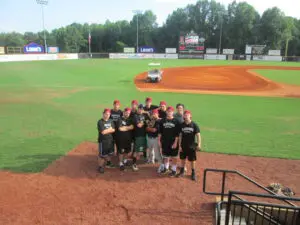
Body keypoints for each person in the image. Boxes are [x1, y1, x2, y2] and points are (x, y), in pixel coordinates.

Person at [178, 110, 201, 181]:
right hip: (183, 145)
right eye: (185, 115)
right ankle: (182, 171)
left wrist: (199, 144)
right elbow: (180, 136)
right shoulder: (182, 125)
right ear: (183, 116)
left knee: (192, 160)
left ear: (190, 116)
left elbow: (198, 135)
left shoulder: (194, 124)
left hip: (191, 146)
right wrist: (179, 145)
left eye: (187, 114)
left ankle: (193, 172)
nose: (186, 116)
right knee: (182, 159)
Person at [158, 106, 180, 177]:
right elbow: (160, 132)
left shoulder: (176, 121)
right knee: (166, 156)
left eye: (170, 111)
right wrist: (159, 141)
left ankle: (173, 170)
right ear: (166, 112)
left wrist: (176, 142)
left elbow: (177, 134)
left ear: (173, 112)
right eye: (168, 111)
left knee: (174, 157)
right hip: (165, 141)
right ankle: (166, 168)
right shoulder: (162, 121)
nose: (169, 112)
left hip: (173, 141)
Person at [97, 108, 116, 173]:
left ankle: (108, 163)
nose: (107, 115)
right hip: (103, 141)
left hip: (110, 141)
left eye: (108, 114)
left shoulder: (111, 121)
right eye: (106, 114)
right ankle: (100, 167)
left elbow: (113, 130)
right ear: (103, 114)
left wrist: (109, 129)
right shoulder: (100, 122)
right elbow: (103, 132)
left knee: (109, 153)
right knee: (102, 155)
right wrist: (110, 129)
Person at [132, 104, 150, 171]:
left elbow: (149, 123)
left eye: (142, 109)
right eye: (139, 108)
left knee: (141, 150)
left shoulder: (144, 115)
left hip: (143, 135)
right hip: (138, 136)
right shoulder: (135, 116)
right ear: (138, 109)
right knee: (136, 151)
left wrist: (146, 120)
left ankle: (143, 158)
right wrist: (145, 122)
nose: (140, 110)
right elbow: (139, 125)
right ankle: (134, 163)